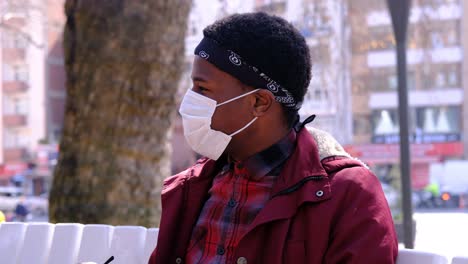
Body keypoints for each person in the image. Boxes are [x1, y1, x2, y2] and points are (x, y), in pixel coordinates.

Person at [149, 12, 398, 264]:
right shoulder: (189, 188)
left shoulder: (348, 194)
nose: (188, 101)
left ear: (259, 102)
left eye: (203, 89)